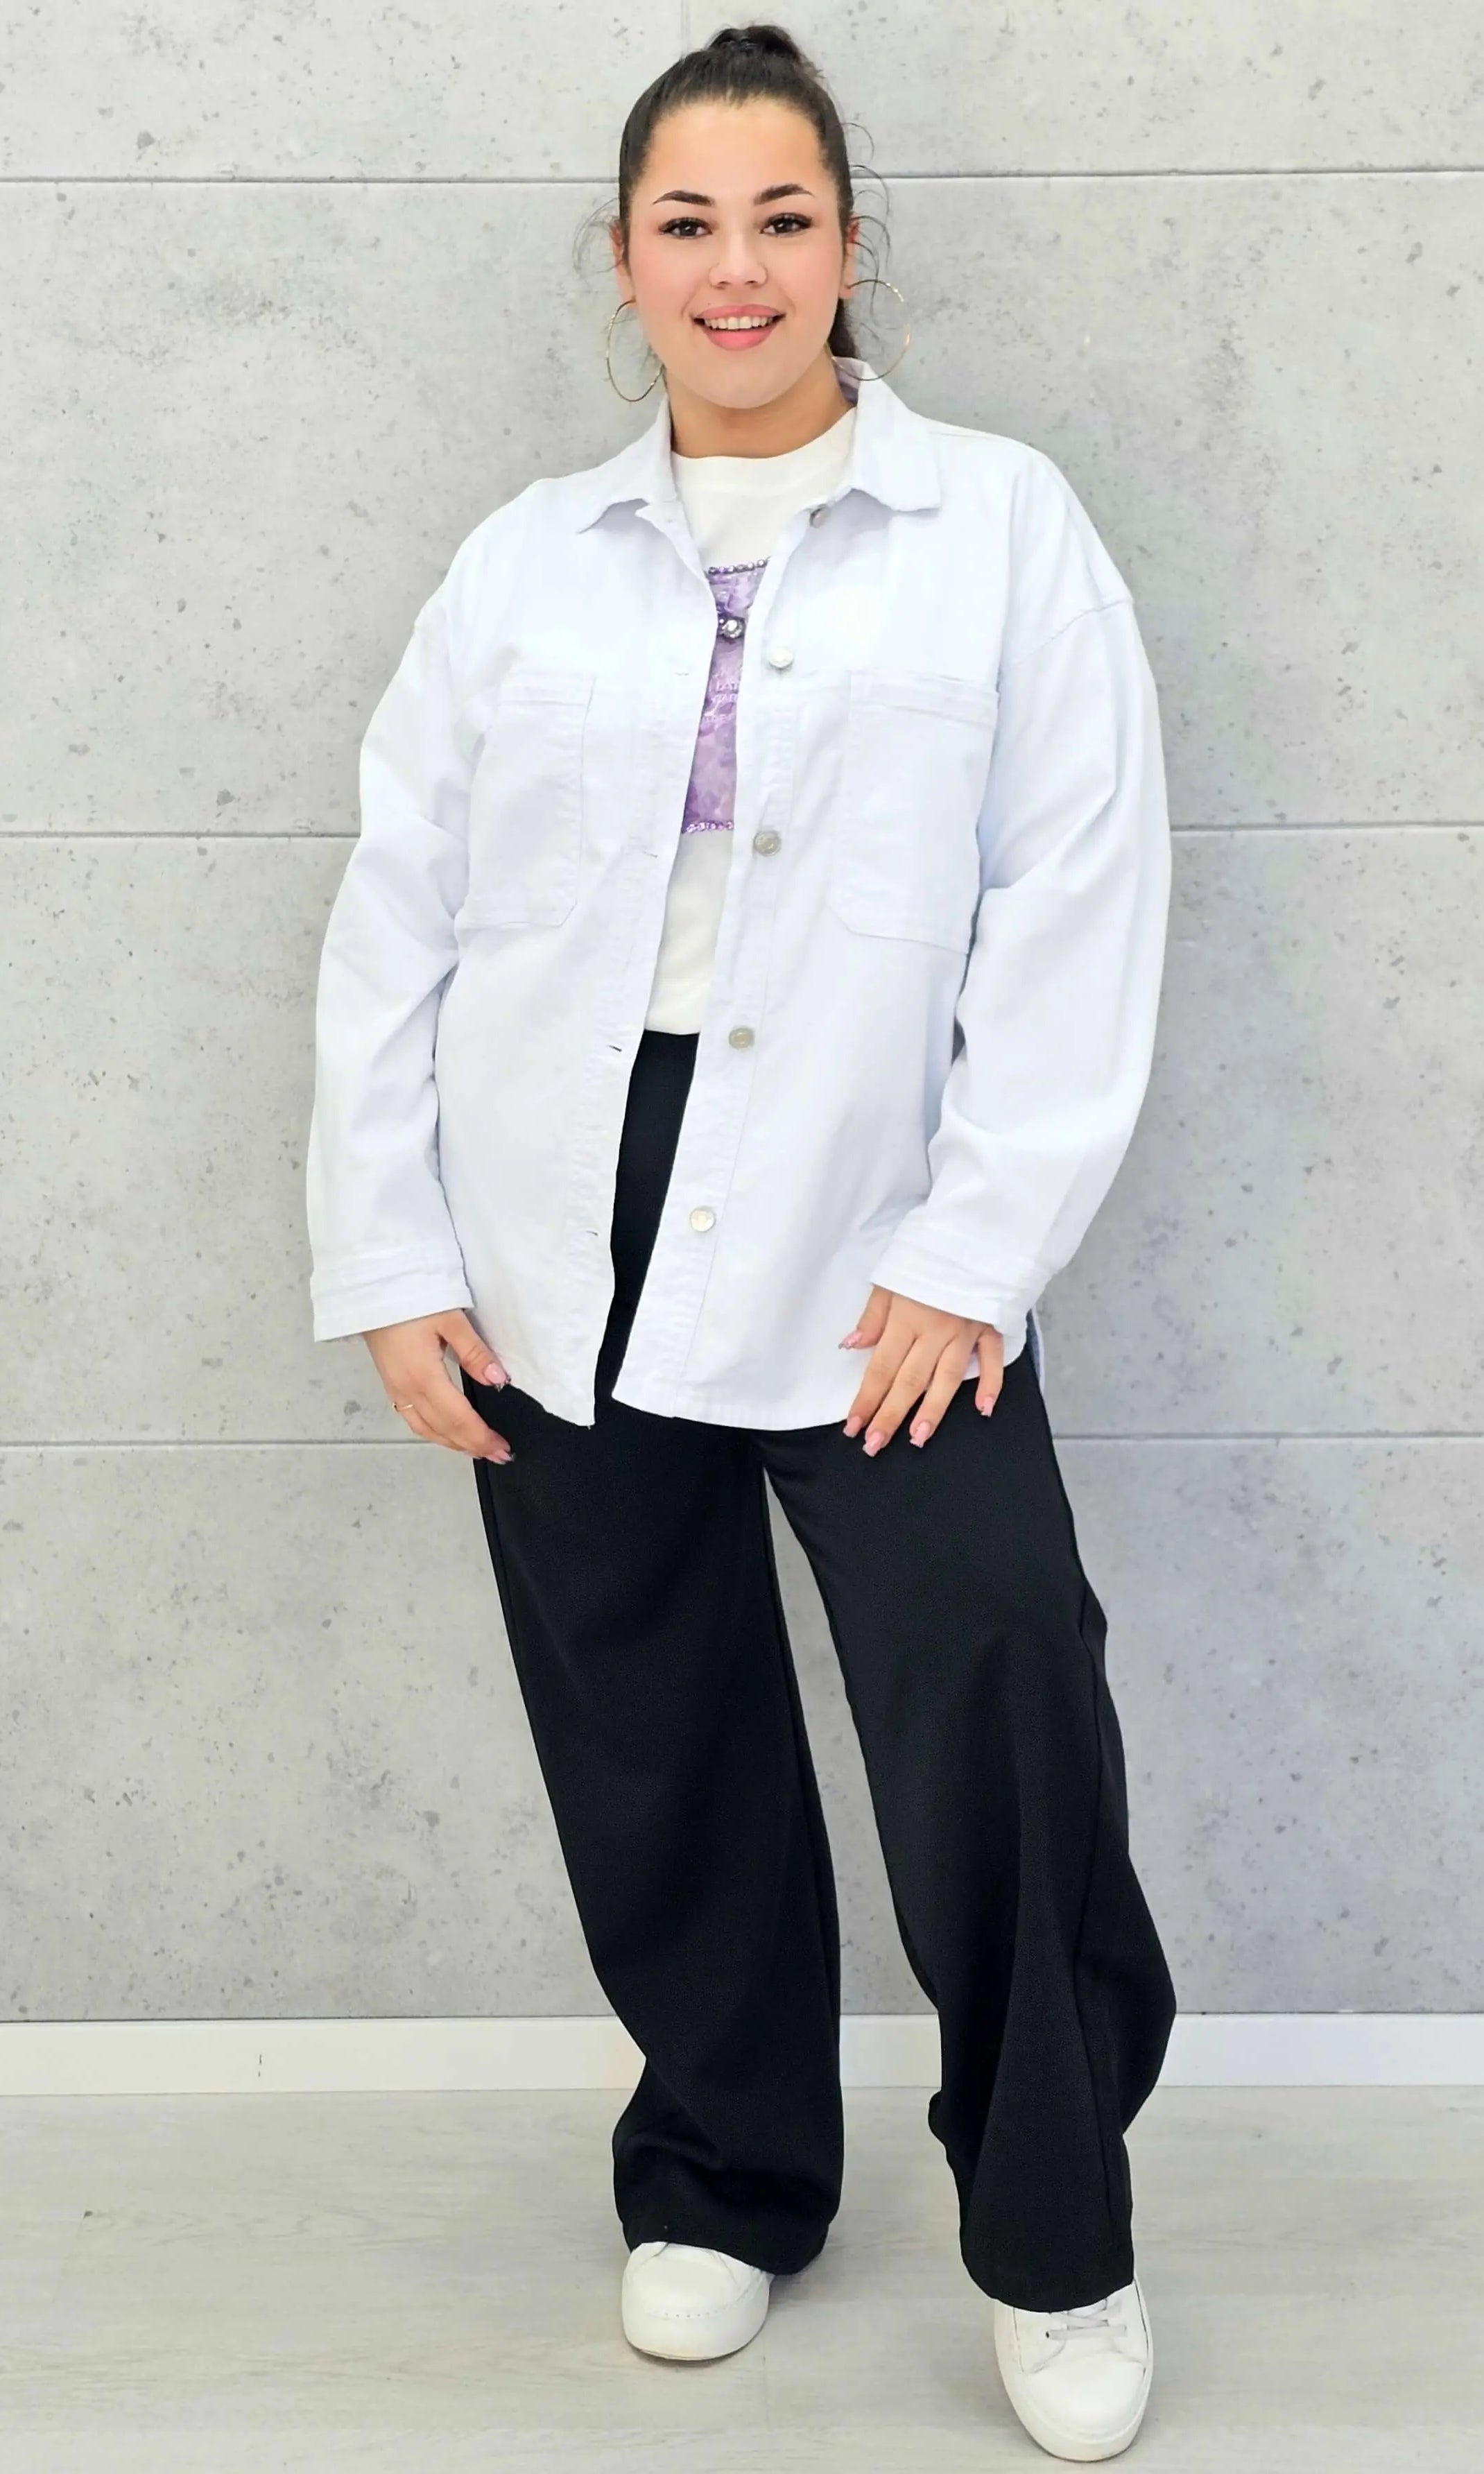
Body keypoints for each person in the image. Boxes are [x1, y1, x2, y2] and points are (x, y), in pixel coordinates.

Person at [305, 21, 1179, 2462]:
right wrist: (393, 1250)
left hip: (879, 1197)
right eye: (685, 223)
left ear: (848, 246)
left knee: (996, 1675)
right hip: (553, 1201)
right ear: (618, 260)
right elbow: (401, 912)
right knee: (648, 1719)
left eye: (781, 218)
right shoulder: (522, 563)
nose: (736, 267)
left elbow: (1079, 894)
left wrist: (975, 1252)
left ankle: (1057, 2235)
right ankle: (720, 2175)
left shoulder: (999, 526)